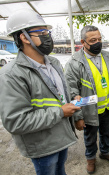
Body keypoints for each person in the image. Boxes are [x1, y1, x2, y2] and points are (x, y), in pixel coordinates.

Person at [0, 9, 81, 175]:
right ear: (24, 37)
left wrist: (72, 98)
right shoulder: (12, 74)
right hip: (42, 145)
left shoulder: (54, 62)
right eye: (42, 32)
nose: (48, 37)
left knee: (61, 171)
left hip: (61, 136)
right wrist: (60, 112)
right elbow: (15, 121)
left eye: (47, 32)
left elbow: (59, 94)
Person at [64, 25, 109, 174]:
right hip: (89, 111)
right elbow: (72, 91)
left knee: (106, 133)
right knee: (90, 138)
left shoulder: (108, 58)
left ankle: (105, 152)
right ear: (83, 42)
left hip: (108, 107)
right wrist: (77, 116)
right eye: (93, 40)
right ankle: (90, 159)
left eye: (99, 39)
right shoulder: (74, 63)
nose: (98, 42)